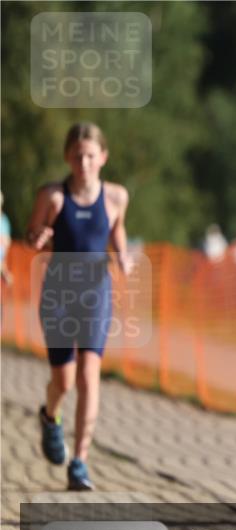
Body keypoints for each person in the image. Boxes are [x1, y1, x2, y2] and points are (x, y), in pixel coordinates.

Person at [26, 122, 134, 491]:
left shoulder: (116, 197)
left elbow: (116, 229)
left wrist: (122, 255)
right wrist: (39, 237)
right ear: (67, 158)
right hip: (58, 293)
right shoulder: (53, 196)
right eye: (77, 155)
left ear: (103, 157)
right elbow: (32, 234)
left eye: (90, 155)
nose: (84, 162)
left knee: (89, 374)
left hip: (96, 293)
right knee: (64, 380)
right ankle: (49, 416)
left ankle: (80, 461)